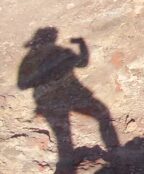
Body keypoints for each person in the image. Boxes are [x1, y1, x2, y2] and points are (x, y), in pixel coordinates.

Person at [17, 27, 119, 173]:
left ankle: (68, 168)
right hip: (62, 98)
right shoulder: (61, 53)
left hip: (50, 101)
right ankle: (114, 154)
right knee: (96, 118)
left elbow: (22, 85)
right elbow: (83, 62)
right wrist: (81, 44)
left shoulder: (32, 58)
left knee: (63, 137)